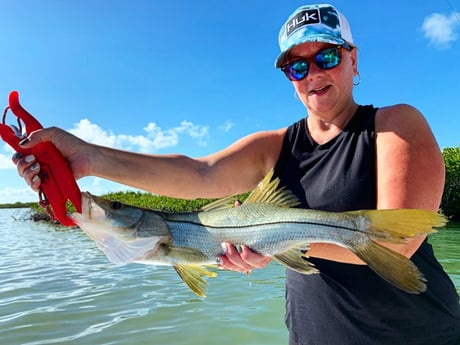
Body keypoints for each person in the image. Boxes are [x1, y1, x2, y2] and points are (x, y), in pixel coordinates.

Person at [13, 4, 460, 344]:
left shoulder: (394, 123)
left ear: (353, 58)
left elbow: (397, 242)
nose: (312, 75)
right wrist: (87, 157)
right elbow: (198, 173)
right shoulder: (276, 145)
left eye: (326, 56)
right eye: (297, 66)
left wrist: (272, 237)